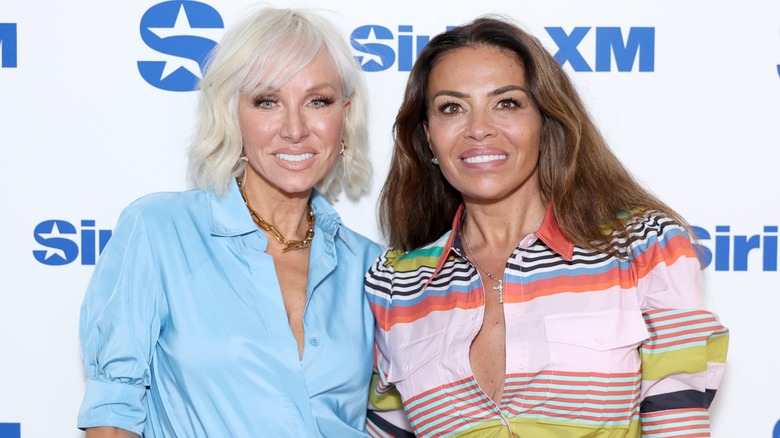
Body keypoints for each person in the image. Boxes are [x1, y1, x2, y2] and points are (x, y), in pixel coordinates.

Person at [365, 16, 729, 438]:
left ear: (545, 119)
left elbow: (678, 426)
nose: (479, 129)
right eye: (452, 107)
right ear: (428, 135)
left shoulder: (644, 248)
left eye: (507, 103)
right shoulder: (395, 285)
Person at [77, 7, 382, 437]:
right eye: (267, 101)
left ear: (344, 116)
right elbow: (113, 415)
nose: (295, 128)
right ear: (231, 113)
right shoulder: (160, 231)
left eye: (318, 101)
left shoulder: (372, 268)